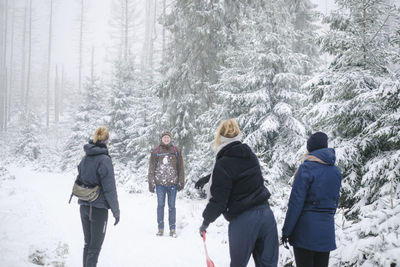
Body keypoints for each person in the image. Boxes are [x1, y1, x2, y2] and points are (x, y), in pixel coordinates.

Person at [199, 119, 279, 267]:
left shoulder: (222, 163)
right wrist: (211, 177)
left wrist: (206, 221)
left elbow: (219, 201)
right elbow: (243, 176)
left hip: (244, 220)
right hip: (266, 216)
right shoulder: (250, 155)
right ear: (238, 134)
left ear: (220, 137)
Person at [281, 131, 342, 267]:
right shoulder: (336, 172)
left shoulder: (306, 168)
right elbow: (334, 202)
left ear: (310, 149)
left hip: (305, 233)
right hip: (326, 232)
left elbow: (295, 203)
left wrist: (286, 231)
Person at [77, 126, 120, 267]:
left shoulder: (85, 157)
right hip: (98, 208)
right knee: (94, 248)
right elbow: (109, 188)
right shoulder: (104, 159)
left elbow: (80, 178)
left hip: (83, 205)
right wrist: (116, 211)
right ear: (106, 140)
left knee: (87, 244)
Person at [148, 130, 185, 237]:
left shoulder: (176, 150)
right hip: (160, 184)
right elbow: (151, 168)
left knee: (172, 207)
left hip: (173, 184)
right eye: (164, 137)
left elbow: (181, 167)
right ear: (161, 139)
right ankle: (160, 228)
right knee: (160, 206)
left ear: (170, 138)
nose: (166, 139)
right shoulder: (156, 151)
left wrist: (181, 181)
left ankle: (172, 229)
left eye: (168, 137)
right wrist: (151, 182)